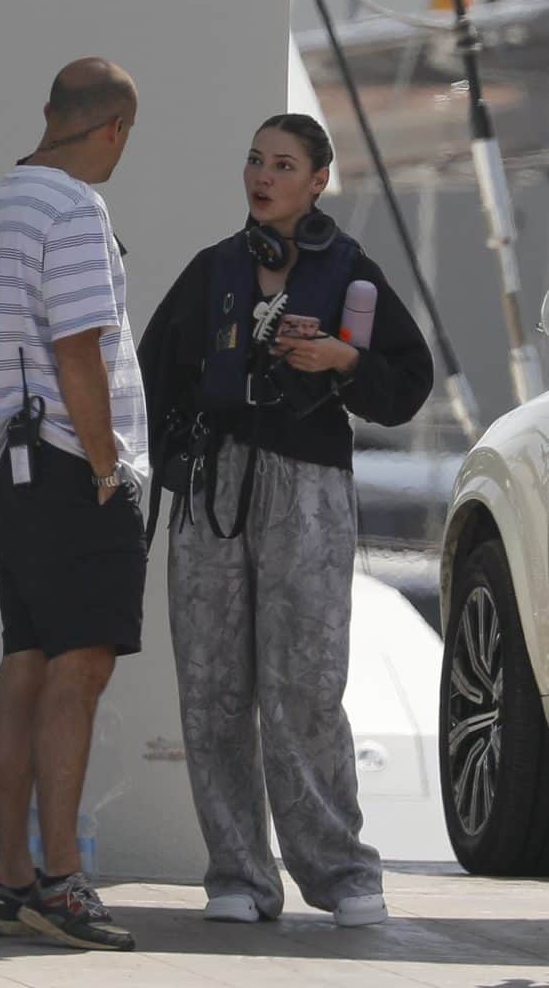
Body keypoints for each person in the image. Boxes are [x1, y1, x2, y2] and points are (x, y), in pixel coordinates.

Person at [138, 113, 434, 927]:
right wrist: (174, 467)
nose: (262, 176)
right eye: (254, 161)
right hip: (215, 491)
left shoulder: (350, 271)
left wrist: (345, 361)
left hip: (307, 487)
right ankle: (236, 874)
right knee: (211, 685)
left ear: (316, 182)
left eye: (282, 164)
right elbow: (150, 378)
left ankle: (340, 872)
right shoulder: (212, 273)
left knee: (305, 681)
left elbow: (408, 384)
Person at [0, 57, 148, 951]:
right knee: (79, 668)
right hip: (72, 467)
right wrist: (111, 466)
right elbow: (79, 348)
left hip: (11, 466)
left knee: (27, 659)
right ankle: (62, 882)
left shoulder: (4, 200)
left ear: (52, 115)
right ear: (114, 128)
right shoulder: (76, 207)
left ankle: (9, 883)